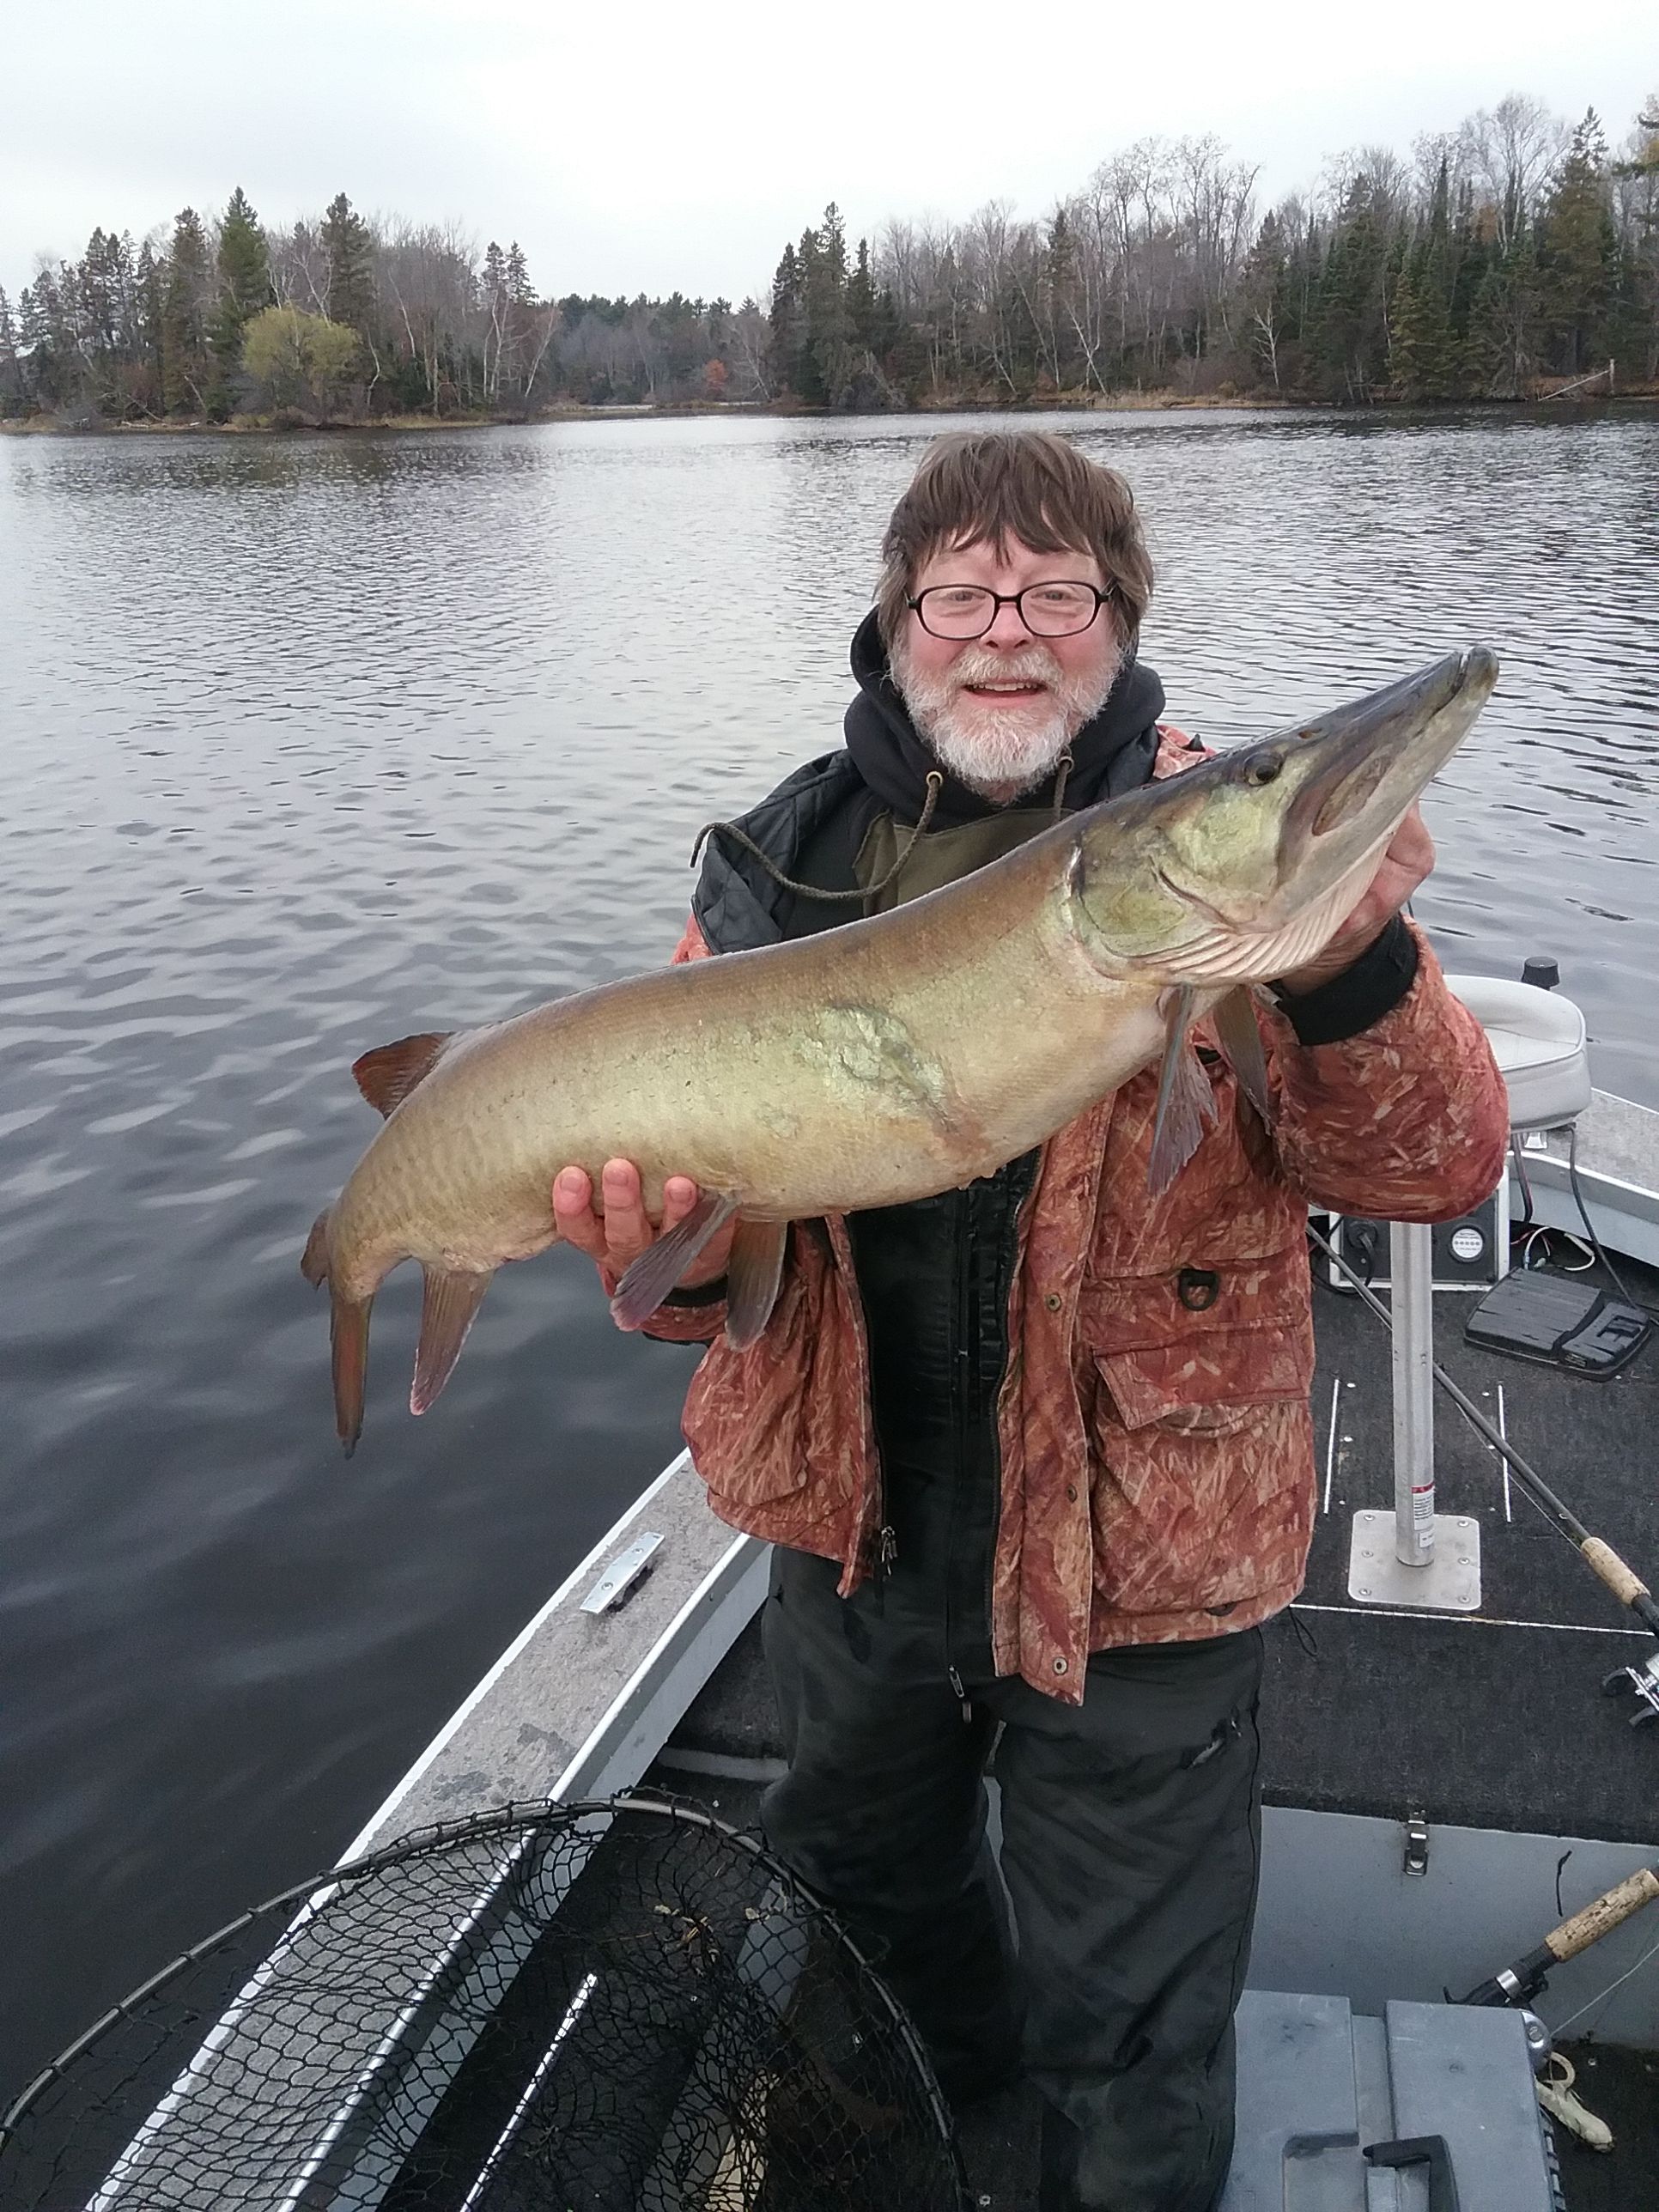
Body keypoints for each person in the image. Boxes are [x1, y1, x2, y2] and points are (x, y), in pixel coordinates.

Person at [551, 430, 1509, 2212]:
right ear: (896, 625)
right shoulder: (777, 868)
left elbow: (1432, 1167)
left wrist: (1347, 958)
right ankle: (949, 2124)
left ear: (1119, 625)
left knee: (1135, 2029)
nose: (1006, 632)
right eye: (962, 594)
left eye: (1056, 593)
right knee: (872, 1915)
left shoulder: (1218, 845)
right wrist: (662, 1247)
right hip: (854, 1536)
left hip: (1141, 1554)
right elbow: (694, 1293)